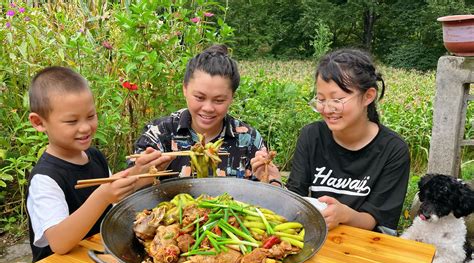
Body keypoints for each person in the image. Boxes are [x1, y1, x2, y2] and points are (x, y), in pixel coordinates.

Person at [251, 48, 410, 233]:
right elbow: (296, 197)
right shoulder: (312, 136)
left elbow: (378, 219)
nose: (327, 109)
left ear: (368, 96)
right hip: (318, 240)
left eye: (337, 99)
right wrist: (273, 181)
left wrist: (346, 215)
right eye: (320, 99)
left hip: (364, 245)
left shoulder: (392, 150)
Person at [26, 66, 166, 262]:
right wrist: (102, 196)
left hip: (94, 258)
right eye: (71, 121)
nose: (85, 127)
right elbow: (59, 243)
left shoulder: (94, 156)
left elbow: (115, 194)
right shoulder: (45, 178)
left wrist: (144, 172)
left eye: (90, 116)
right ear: (39, 122)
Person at [132, 44, 270, 180]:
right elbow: (128, 193)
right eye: (199, 97)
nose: (208, 108)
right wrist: (143, 174)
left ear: (231, 97)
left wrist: (270, 179)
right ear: (185, 89)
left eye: (219, 100)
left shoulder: (248, 139)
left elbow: (268, 196)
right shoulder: (160, 134)